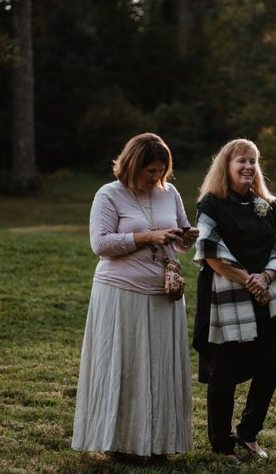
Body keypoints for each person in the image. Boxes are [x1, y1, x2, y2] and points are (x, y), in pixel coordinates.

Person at [72, 133, 199, 460]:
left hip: (164, 293)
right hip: (120, 292)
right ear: (132, 165)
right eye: (149, 170)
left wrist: (187, 236)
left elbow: (179, 240)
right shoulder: (109, 195)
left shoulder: (169, 193)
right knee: (124, 367)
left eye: (160, 170)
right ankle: (120, 444)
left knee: (159, 369)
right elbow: (101, 245)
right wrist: (147, 236)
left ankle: (158, 444)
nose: (155, 176)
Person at [192, 139, 276, 463]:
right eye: (242, 161)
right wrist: (247, 280)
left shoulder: (265, 204)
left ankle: (248, 433)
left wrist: (264, 277)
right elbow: (210, 252)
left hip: (264, 295)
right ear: (227, 165)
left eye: (253, 161)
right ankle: (221, 444)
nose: (249, 167)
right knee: (224, 373)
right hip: (227, 298)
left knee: (271, 368)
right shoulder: (211, 204)